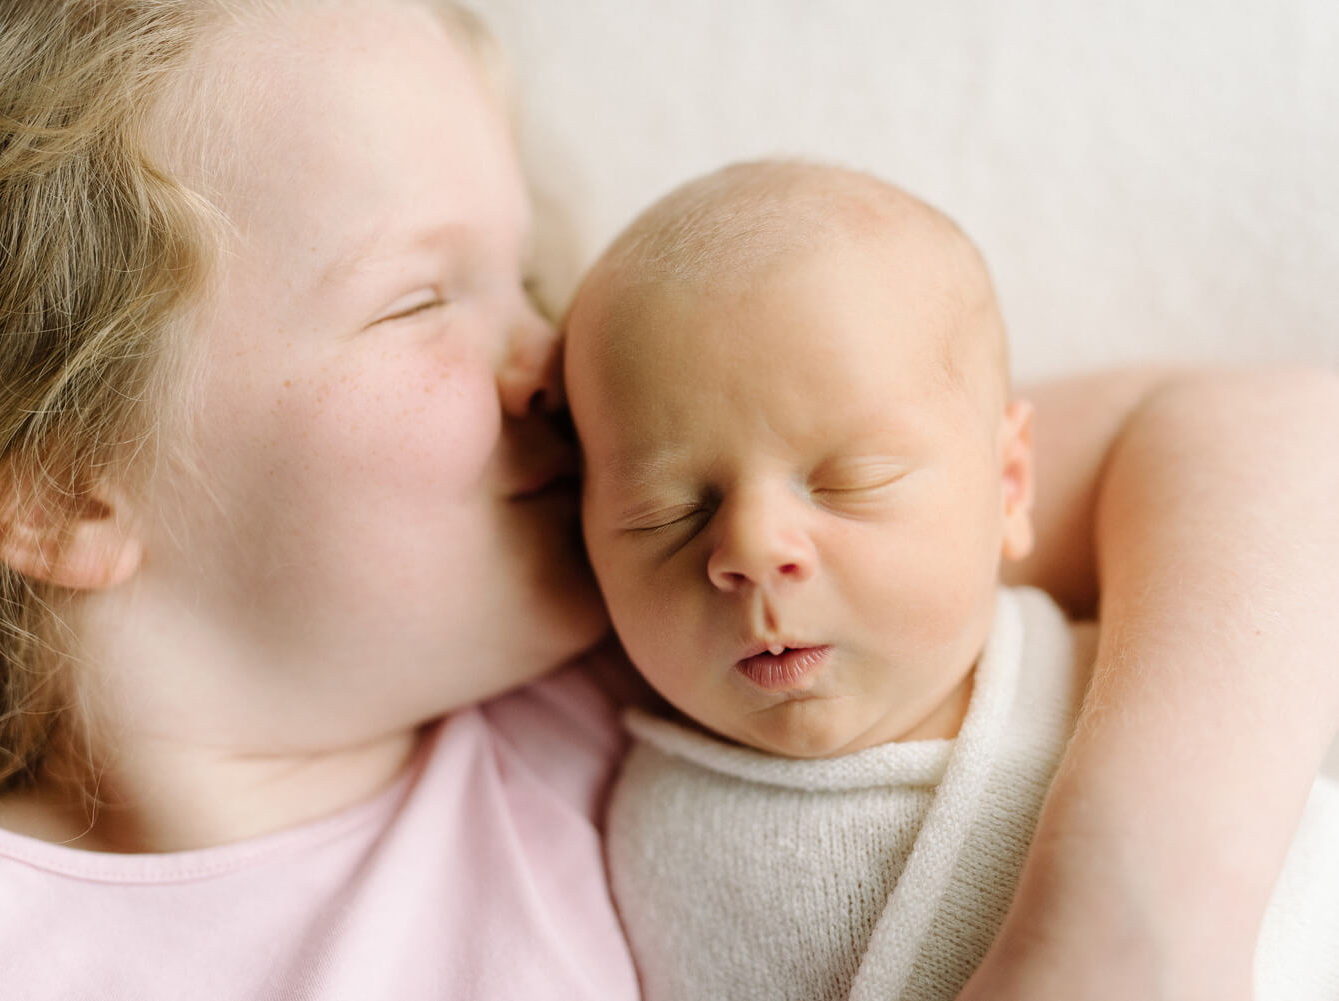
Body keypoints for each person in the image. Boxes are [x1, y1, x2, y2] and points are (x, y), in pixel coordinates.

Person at [0, 3, 1337, 999]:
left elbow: (1263, 437)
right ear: (52, 480)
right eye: (422, 297)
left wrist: (1127, 915)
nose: (553, 360)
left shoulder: (679, 623)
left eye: (531, 281)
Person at [564, 159, 1339, 1000]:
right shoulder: (618, 835)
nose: (750, 547)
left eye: (850, 480)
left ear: (1009, 484)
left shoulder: (1144, 675)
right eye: (664, 512)